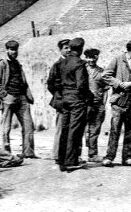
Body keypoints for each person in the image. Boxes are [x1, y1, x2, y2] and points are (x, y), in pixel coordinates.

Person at [102, 38, 131, 167]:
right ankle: (109, 157)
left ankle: (127, 157)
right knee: (115, 130)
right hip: (118, 101)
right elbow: (105, 75)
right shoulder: (117, 59)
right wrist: (119, 84)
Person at [0, 39, 36, 159]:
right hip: (9, 98)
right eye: (11, 50)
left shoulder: (18, 64)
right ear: (7, 50)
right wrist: (5, 96)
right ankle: (6, 153)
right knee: (6, 127)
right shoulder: (1, 65)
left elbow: (24, 82)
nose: (14, 52)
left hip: (22, 98)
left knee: (29, 125)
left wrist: (28, 96)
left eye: (15, 50)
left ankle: (28, 152)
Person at [56, 37, 91, 172]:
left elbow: (57, 82)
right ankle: (71, 161)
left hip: (65, 99)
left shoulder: (63, 63)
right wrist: (89, 97)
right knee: (74, 131)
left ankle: (62, 160)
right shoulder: (79, 63)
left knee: (65, 129)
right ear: (81, 49)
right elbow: (81, 85)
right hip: (77, 100)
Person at [46, 38, 71, 163]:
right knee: (61, 128)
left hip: (73, 101)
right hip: (62, 101)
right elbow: (50, 83)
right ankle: (56, 155)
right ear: (60, 50)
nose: (69, 50)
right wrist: (59, 97)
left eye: (70, 47)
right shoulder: (57, 65)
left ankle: (70, 155)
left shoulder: (74, 63)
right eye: (66, 48)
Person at [84, 48, 107, 163]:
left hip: (98, 104)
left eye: (94, 57)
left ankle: (92, 154)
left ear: (97, 57)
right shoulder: (82, 70)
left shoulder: (101, 71)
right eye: (89, 57)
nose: (91, 60)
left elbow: (106, 89)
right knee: (82, 129)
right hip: (85, 104)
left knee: (95, 129)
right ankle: (76, 155)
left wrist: (103, 103)